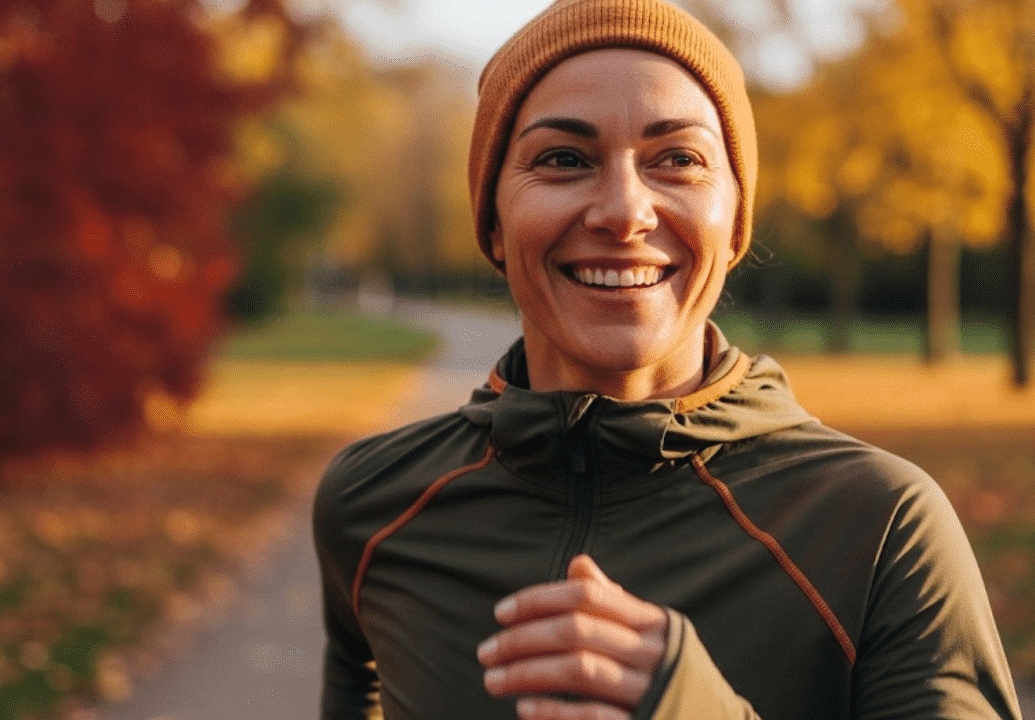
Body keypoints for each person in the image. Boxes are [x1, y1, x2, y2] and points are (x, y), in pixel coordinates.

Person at [312, 0, 1025, 717]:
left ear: (734, 223)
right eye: (564, 159)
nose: (624, 211)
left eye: (678, 160)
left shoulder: (880, 527)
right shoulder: (371, 505)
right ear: (492, 222)